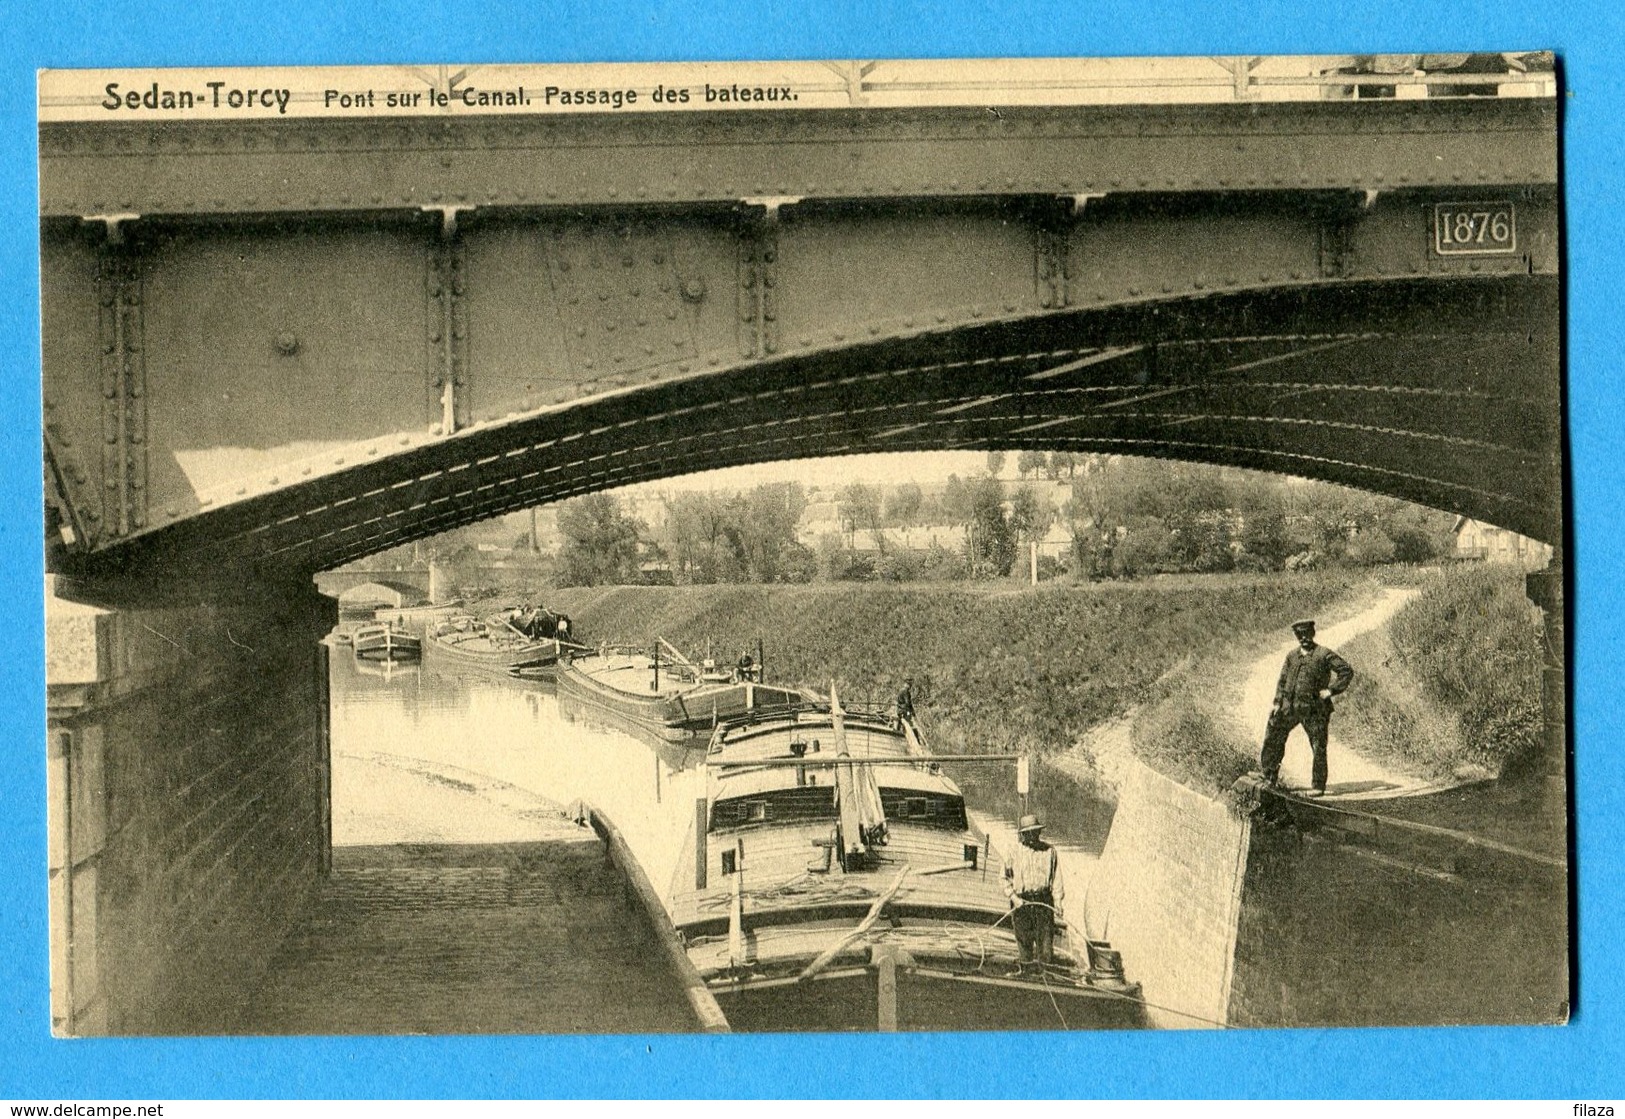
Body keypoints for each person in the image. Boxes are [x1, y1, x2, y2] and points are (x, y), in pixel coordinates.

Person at [1259, 619, 1354, 797]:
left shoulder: (1323, 654)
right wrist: (1277, 703)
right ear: (1296, 637)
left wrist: (1331, 690)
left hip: (1314, 709)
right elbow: (1282, 682)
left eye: (1307, 634)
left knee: (1318, 745)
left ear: (1313, 634)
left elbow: (1346, 671)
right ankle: (1269, 775)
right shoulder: (1291, 656)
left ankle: (1318, 785)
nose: (1304, 638)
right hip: (1290, 707)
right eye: (1300, 635)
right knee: (1273, 734)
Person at [1003, 814, 1064, 973]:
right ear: (1022, 834)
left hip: (1043, 903)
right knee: (1024, 944)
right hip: (1021, 904)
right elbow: (1003, 878)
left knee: (1045, 947)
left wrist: (1058, 902)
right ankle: (1026, 976)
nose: (1032, 836)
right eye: (1028, 832)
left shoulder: (1050, 851)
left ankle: (1045, 975)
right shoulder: (1013, 851)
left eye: (1035, 831)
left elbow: (1056, 879)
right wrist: (1014, 898)